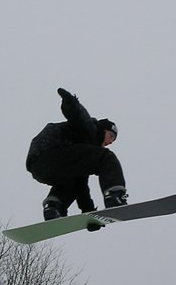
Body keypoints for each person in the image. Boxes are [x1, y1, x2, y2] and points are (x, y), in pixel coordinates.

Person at [26, 87, 127, 221]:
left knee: (73, 181)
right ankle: (115, 195)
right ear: (103, 130)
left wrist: (89, 213)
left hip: (38, 166)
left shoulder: (82, 155)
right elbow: (80, 117)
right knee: (106, 157)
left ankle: (54, 207)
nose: (110, 142)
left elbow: (81, 186)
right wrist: (71, 103)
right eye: (111, 136)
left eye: (113, 140)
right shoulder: (92, 129)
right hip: (53, 150)